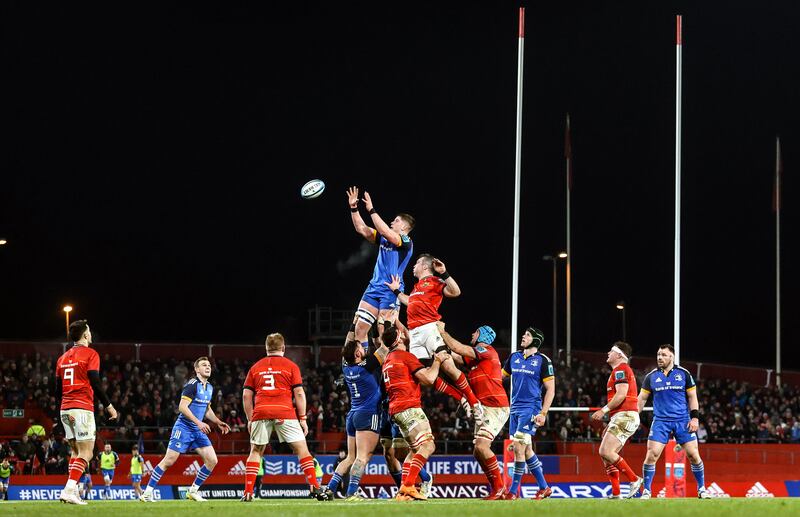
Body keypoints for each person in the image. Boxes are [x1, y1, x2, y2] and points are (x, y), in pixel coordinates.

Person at [386, 255, 480, 419]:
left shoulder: (435, 281)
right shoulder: (416, 288)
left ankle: (474, 402)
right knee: (422, 375)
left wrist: (444, 273)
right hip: (414, 334)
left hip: (430, 328)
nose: (413, 265)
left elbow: (455, 292)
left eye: (416, 263)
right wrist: (395, 290)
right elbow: (409, 301)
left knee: (448, 367)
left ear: (424, 266)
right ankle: (461, 398)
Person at [240, 333, 328, 502]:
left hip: (261, 412)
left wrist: (250, 419)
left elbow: (246, 396)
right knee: (302, 449)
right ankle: (315, 488)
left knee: (256, 451)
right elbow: (299, 393)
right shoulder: (291, 366)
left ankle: (248, 492)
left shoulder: (255, 367)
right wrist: (302, 418)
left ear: (266, 348)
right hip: (285, 412)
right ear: (283, 348)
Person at [140, 356, 231, 502]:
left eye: (209, 365)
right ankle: (147, 493)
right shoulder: (192, 385)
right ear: (196, 369)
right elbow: (182, 407)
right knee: (169, 460)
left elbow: (207, 409)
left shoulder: (210, 387)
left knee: (212, 460)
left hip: (197, 430)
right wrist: (199, 423)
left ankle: (193, 491)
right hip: (184, 427)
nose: (208, 367)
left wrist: (218, 422)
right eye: (203, 365)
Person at [438, 322, 509, 499]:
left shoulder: (488, 351)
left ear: (483, 337)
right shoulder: (476, 358)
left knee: (482, 446)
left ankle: (500, 488)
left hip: (496, 407)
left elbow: (457, 347)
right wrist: (437, 342)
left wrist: (443, 331)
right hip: (485, 408)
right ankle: (496, 488)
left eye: (476, 332)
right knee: (477, 451)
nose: (472, 333)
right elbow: (453, 353)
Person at [380, 325, 448, 501]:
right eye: (401, 333)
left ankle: (403, 492)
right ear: (398, 339)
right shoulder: (405, 356)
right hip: (409, 408)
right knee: (428, 446)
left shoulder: (388, 359)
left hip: (395, 411)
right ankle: (409, 485)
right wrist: (438, 361)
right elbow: (429, 378)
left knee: (413, 450)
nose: (404, 333)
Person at [55, 320, 118, 505]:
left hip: (65, 409)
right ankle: (68, 490)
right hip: (82, 407)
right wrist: (109, 406)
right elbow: (95, 382)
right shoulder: (91, 354)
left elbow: (57, 390)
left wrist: (61, 410)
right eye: (89, 331)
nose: (91, 334)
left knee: (75, 451)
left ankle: (73, 492)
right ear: (85, 335)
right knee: (87, 453)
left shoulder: (62, 358)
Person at [637, 344, 710, 499]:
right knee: (652, 454)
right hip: (660, 421)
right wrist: (634, 417)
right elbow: (642, 399)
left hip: (682, 420)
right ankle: (647, 491)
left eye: (663, 354)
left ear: (672, 356)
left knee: (693, 455)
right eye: (658, 354)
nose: (659, 357)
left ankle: (702, 488)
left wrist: (695, 418)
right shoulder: (651, 377)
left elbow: (692, 397)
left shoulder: (684, 374)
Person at [346, 186, 415, 349]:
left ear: (404, 228)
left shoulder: (406, 242)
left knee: (385, 331)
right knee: (359, 329)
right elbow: (361, 229)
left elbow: (386, 232)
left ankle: (397, 361)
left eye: (396, 221)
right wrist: (353, 208)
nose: (392, 222)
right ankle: (362, 366)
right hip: (374, 287)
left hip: (391, 289)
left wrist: (371, 209)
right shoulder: (384, 240)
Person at [324, 338, 388, 500]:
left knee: (350, 457)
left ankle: (329, 489)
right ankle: (352, 492)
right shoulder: (367, 366)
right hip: (368, 414)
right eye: (361, 348)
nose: (364, 350)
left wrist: (355, 326)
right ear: (358, 353)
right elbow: (386, 348)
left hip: (352, 415)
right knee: (362, 457)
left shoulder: (346, 368)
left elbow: (348, 348)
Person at [501, 327, 555, 500]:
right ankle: (544, 487)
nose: (523, 336)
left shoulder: (543, 361)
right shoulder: (514, 357)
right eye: (524, 334)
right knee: (527, 449)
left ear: (536, 340)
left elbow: (551, 390)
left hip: (530, 409)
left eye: (528, 335)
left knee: (518, 448)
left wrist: (543, 413)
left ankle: (512, 492)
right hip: (514, 408)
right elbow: (499, 377)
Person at [590, 342, 643, 499]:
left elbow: (621, 395)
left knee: (605, 451)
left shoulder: (621, 370)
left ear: (620, 355)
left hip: (625, 415)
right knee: (606, 454)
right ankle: (616, 493)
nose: (608, 353)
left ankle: (634, 479)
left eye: (611, 351)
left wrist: (603, 410)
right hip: (623, 416)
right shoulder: (620, 371)